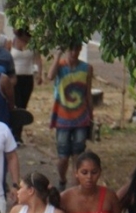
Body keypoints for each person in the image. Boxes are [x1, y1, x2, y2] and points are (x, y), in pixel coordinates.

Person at [47, 45, 93, 188]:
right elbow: (50, 76)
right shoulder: (60, 66)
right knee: (63, 157)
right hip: (62, 117)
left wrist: (91, 115)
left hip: (81, 117)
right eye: (71, 49)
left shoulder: (86, 68)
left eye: (76, 49)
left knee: (78, 156)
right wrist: (57, 55)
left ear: (80, 50)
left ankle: (75, 188)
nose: (73, 52)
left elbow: (88, 93)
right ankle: (62, 180)